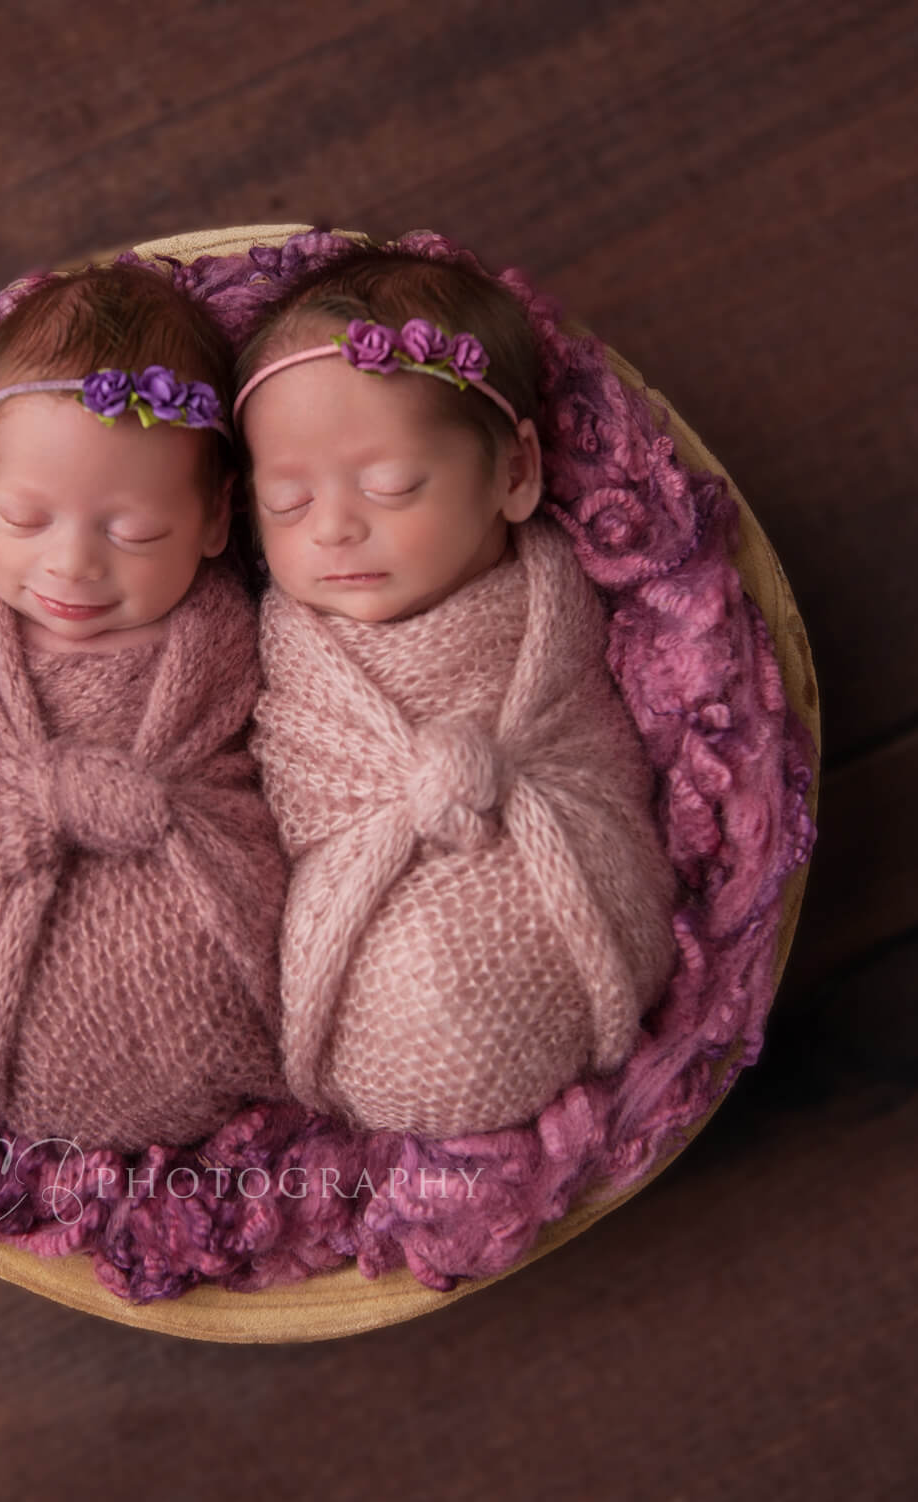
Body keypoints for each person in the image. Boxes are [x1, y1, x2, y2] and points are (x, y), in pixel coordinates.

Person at [234, 247, 678, 1138]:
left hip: (566, 897)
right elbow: (274, 820)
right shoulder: (272, 649)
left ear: (515, 474)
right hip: (359, 950)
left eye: (392, 485)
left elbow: (598, 756)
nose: (334, 526)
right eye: (285, 501)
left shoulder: (556, 616)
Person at [0, 263, 285, 1153]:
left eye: (134, 533)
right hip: (5, 971)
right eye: (26, 519)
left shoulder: (240, 639)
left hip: (213, 945)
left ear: (217, 521)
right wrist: (56, 799)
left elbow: (288, 783)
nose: (71, 566)